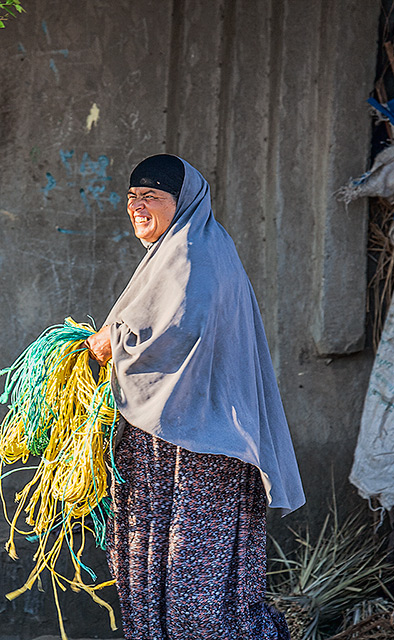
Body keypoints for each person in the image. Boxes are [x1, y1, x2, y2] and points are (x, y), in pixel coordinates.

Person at [84, 154, 305, 640]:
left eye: (153, 197)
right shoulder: (183, 249)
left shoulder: (191, 253)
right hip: (180, 441)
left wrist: (111, 341)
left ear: (182, 202)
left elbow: (180, 332)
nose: (139, 207)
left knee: (190, 572)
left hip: (196, 449)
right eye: (133, 198)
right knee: (178, 569)